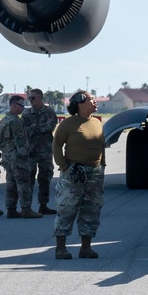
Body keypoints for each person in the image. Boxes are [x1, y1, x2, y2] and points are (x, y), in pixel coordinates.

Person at [52, 91, 106, 260]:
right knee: (67, 208)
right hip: (74, 172)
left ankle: (86, 248)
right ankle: (61, 248)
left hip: (94, 172)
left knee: (91, 209)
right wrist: (64, 167)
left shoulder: (96, 122)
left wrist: (102, 164)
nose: (95, 101)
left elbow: (101, 145)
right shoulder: (68, 124)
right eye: (91, 99)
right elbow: (56, 144)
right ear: (80, 103)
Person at [0, 95, 43, 219]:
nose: (23, 108)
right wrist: (25, 156)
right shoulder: (15, 121)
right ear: (14, 105)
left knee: (11, 184)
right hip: (18, 158)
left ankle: (11, 209)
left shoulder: (3, 121)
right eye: (21, 105)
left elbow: (0, 141)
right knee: (24, 184)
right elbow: (21, 141)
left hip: (7, 157)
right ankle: (26, 209)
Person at [23, 88, 58, 214]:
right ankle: (27, 207)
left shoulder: (49, 112)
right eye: (29, 98)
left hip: (45, 151)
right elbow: (25, 130)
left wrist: (34, 127)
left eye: (33, 98)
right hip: (31, 151)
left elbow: (50, 127)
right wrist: (40, 127)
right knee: (29, 179)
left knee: (45, 177)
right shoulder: (26, 113)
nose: (31, 100)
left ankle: (43, 205)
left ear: (40, 98)